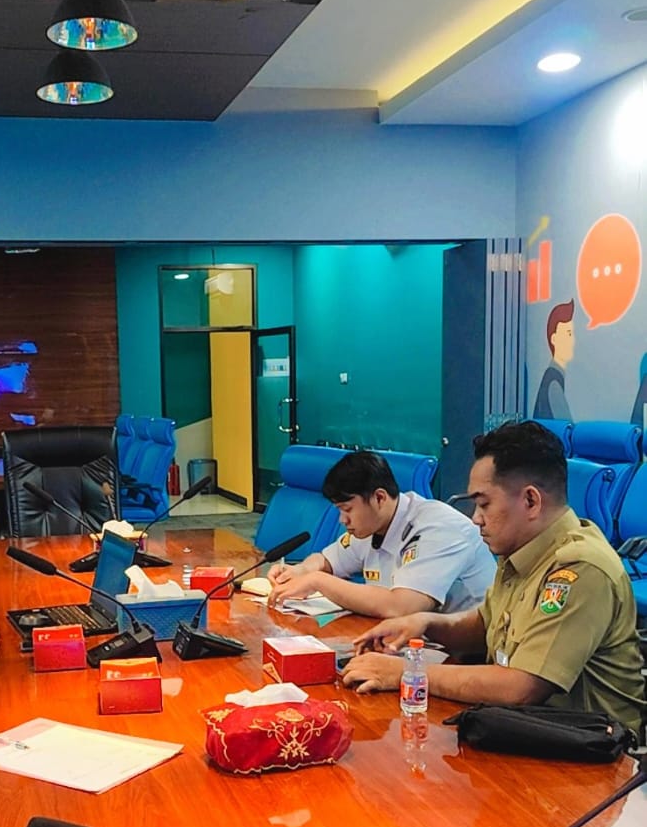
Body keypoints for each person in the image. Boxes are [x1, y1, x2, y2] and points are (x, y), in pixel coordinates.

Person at [342, 422, 645, 733]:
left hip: (597, 756)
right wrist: (425, 623)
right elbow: (487, 624)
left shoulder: (579, 569)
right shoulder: (522, 551)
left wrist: (407, 672)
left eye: (484, 503)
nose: (476, 518)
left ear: (530, 501)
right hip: (531, 730)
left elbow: (521, 686)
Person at [267, 449, 495, 618]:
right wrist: (301, 571)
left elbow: (401, 607)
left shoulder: (439, 527)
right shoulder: (370, 526)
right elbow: (327, 560)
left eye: (347, 509)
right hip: (410, 641)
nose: (342, 520)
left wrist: (317, 581)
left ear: (379, 498)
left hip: (466, 654)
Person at [532, 298, 575, 421]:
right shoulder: (553, 384)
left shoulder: (553, 378)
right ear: (554, 339)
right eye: (568, 333)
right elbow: (568, 433)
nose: (572, 340)